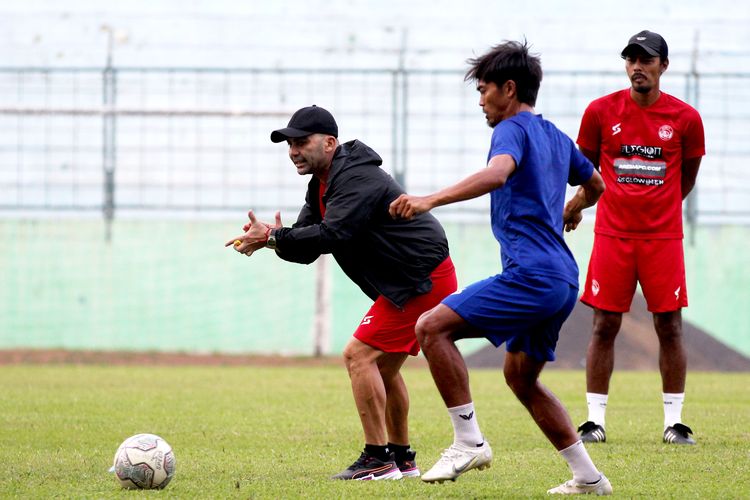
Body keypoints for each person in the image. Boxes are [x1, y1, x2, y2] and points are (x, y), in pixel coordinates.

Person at [389, 40, 610, 495]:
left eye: (485, 89)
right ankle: (589, 478)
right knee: (520, 378)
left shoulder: (511, 129)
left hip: (532, 275)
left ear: (509, 90)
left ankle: (468, 441)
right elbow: (597, 183)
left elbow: (496, 174)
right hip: (564, 280)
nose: (481, 99)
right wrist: (575, 207)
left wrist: (428, 199)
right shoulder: (556, 137)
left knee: (431, 328)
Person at [226, 105, 458, 480]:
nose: (293, 151)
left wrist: (274, 236)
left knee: (358, 356)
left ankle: (377, 459)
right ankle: (400, 458)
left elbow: (333, 235)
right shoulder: (321, 184)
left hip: (420, 280)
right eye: (289, 144)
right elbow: (305, 247)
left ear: (330, 143)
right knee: (383, 368)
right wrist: (270, 240)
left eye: (301, 142)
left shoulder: (357, 178)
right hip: (413, 280)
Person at [573, 30, 705, 446]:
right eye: (631, 59)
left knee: (669, 324)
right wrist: (575, 206)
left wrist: (658, 208)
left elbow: (686, 179)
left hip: (662, 238)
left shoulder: (685, 119)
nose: (637, 67)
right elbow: (587, 174)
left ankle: (674, 422)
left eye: (646, 60)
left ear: (663, 66)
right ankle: (594, 421)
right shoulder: (599, 112)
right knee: (604, 324)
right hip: (612, 235)